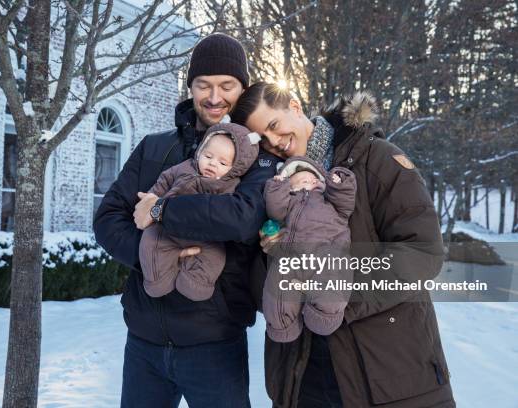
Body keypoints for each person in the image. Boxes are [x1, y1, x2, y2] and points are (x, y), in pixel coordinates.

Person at [232, 82, 455, 408]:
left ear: (294, 106)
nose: (274, 143)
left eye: (274, 126)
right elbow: (259, 288)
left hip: (389, 374)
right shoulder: (273, 190)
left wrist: (334, 289)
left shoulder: (374, 158)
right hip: (305, 377)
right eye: (263, 139)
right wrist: (273, 259)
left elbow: (423, 251)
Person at [93, 35, 279, 408]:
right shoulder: (155, 148)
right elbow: (109, 219)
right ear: (190, 87)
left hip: (214, 342)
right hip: (144, 342)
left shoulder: (257, 159)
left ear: (242, 89)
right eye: (203, 85)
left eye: (226, 85)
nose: (214, 96)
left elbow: (240, 220)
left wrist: (160, 212)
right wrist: (155, 254)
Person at [139, 123, 260, 301]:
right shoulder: (184, 167)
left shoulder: (229, 185)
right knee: (150, 242)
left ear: (235, 168)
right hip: (167, 229)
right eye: (208, 155)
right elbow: (165, 180)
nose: (212, 163)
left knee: (215, 257)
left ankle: (196, 283)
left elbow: (228, 212)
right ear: (199, 151)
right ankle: (156, 280)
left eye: (223, 162)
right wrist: (151, 197)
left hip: (205, 238)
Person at [262, 156, 355, 343]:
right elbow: (274, 210)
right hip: (292, 257)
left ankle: (326, 316)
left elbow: (346, 201)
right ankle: (282, 324)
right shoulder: (289, 203)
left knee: (332, 282)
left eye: (315, 179)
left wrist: (339, 183)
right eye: (304, 180)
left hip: (327, 254)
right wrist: (277, 187)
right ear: (292, 187)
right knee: (279, 286)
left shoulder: (331, 202)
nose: (311, 182)